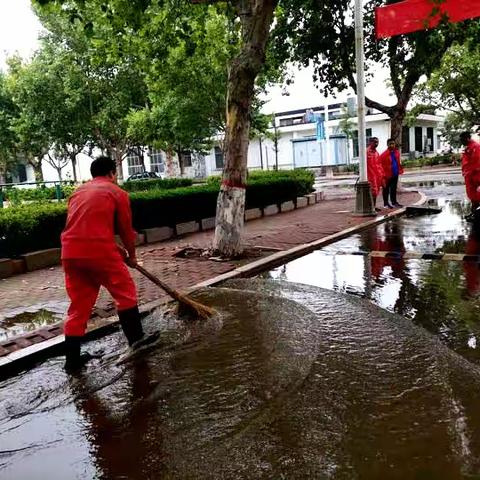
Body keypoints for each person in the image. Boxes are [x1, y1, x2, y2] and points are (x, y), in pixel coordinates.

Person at [61, 156, 157, 373]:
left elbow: (84, 227)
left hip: (70, 253)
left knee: (79, 306)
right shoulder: (116, 192)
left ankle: (72, 361)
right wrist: (131, 255)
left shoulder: (78, 192)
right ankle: (137, 341)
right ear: (112, 173)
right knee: (125, 293)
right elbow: (125, 229)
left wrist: (116, 249)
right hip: (98, 252)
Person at [460, 131, 480, 221]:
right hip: (469, 176)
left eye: (462, 139)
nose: (461, 141)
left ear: (467, 138)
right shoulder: (469, 147)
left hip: (474, 176)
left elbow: (476, 163)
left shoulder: (475, 147)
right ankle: (473, 214)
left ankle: (476, 215)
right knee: (473, 196)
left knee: (476, 196)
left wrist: (471, 174)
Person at [380, 138, 404, 209]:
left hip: (395, 173)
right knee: (386, 189)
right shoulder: (384, 155)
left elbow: (397, 162)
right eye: (390, 144)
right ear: (387, 145)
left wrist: (399, 170)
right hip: (387, 175)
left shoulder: (396, 152)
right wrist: (383, 175)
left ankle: (394, 202)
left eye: (393, 143)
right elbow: (380, 166)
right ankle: (386, 204)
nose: (392, 145)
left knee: (393, 189)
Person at [366, 137, 384, 211]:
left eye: (377, 142)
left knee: (376, 191)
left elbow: (379, 164)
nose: (376, 144)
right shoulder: (367, 152)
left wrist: (382, 174)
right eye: (375, 142)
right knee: (372, 191)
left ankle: (373, 206)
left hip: (377, 176)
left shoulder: (376, 153)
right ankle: (371, 207)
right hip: (370, 175)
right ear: (370, 142)